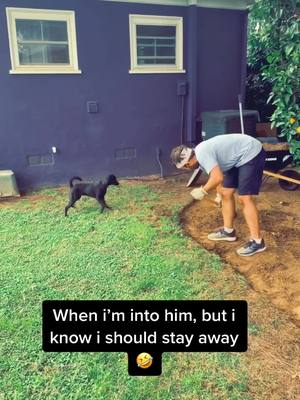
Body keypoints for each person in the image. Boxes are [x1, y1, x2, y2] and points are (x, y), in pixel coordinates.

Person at [170, 134, 266, 257]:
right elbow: (217, 175)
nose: (187, 168)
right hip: (237, 157)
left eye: (185, 166)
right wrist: (219, 194)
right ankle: (228, 232)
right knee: (226, 193)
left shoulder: (202, 154)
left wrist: (203, 190)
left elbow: (217, 177)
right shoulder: (200, 158)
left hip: (251, 152)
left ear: (188, 162)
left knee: (244, 198)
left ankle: (258, 242)